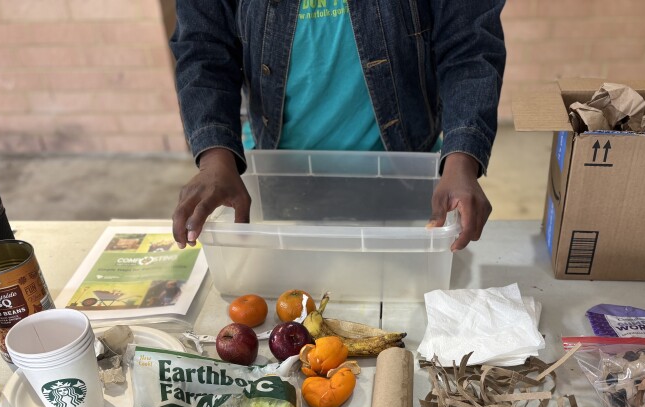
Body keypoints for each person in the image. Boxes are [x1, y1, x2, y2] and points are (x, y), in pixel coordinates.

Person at [169, 0, 506, 252]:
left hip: (408, 180)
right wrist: (216, 159)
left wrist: (462, 159)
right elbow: (205, 49)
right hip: (280, 182)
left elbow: (469, 46)